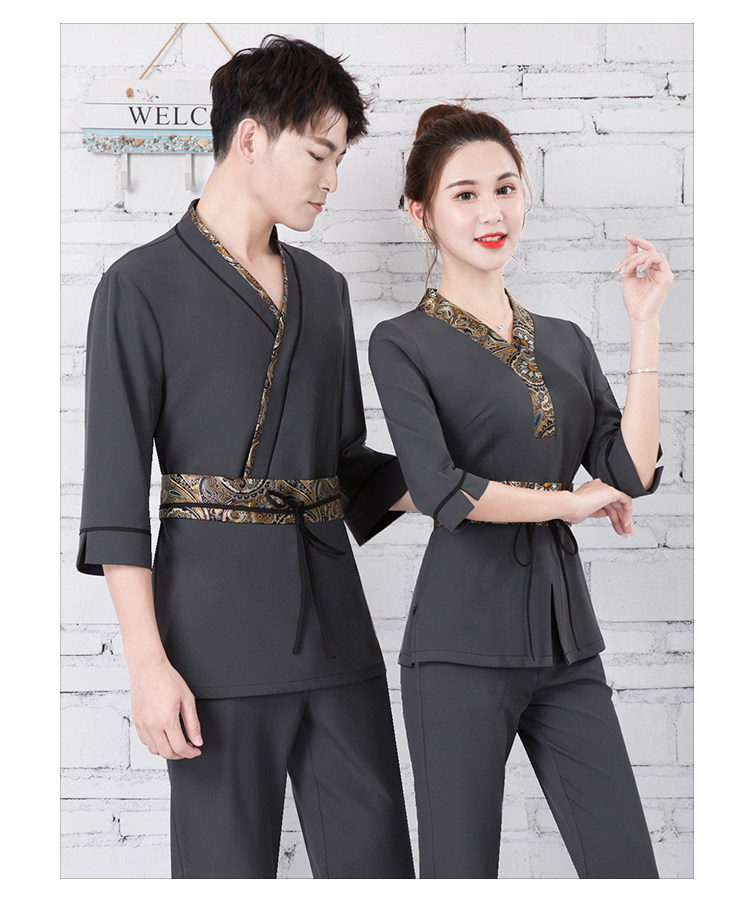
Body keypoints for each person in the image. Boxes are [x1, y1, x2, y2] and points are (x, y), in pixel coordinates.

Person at [77, 35, 415, 880]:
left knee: (378, 868)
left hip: (337, 633)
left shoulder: (326, 291)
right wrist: (148, 666)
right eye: (320, 154)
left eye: (339, 161)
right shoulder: (139, 285)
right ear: (252, 137)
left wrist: (467, 473)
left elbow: (343, 465)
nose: (331, 180)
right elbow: (114, 498)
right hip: (210, 644)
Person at [368, 103, 672, 879]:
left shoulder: (566, 339)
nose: (491, 212)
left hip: (567, 643)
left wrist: (644, 325)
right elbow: (442, 491)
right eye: (465, 194)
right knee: (460, 875)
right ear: (421, 214)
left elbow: (632, 472)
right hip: (458, 649)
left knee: (627, 871)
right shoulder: (402, 342)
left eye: (505, 189)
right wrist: (572, 502)